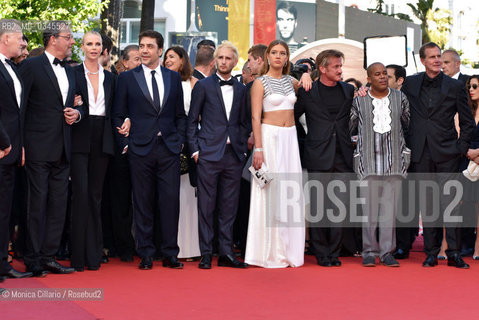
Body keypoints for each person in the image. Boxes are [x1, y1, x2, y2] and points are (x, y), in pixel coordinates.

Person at [394, 42, 474, 268]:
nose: (437, 60)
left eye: (439, 56)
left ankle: (454, 253)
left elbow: (467, 121)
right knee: (428, 204)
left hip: (448, 152)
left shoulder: (454, 86)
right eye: (432, 57)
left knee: (451, 204)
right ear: (423, 61)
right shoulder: (410, 83)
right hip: (421, 153)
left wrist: (461, 147)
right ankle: (431, 252)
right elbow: (394, 105)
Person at [112, 30, 186, 270]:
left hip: (168, 148)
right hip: (139, 148)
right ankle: (145, 252)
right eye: (142, 46)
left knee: (170, 201)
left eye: (149, 46)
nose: (144, 50)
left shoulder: (173, 78)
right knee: (142, 202)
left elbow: (179, 115)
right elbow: (118, 113)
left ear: (160, 51)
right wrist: (126, 144)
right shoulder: (127, 78)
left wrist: (180, 141)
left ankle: (170, 253)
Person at [19, 21, 82, 276]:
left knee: (58, 205)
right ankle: (32, 258)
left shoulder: (69, 70)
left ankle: (49, 256)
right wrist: (20, 144)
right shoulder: (31, 66)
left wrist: (76, 114)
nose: (72, 42)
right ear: (53, 39)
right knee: (37, 204)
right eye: (68, 37)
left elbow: (79, 105)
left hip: (63, 148)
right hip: (36, 148)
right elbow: (19, 107)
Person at [188, 41, 249, 269]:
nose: (224, 62)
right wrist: (195, 151)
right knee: (206, 205)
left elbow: (243, 122)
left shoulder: (242, 89)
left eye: (228, 58)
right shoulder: (203, 87)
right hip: (207, 155)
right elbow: (192, 120)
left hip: (233, 156)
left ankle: (226, 253)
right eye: (220, 58)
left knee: (229, 206)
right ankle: (206, 253)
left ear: (235, 61)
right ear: (215, 61)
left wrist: (241, 147)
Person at [245, 39, 306, 268]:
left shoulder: (293, 82)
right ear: (268, 56)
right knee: (269, 190)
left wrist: (307, 76)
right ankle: (267, 252)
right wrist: (258, 148)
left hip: (290, 139)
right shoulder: (259, 83)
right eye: (275, 53)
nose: (279, 56)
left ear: (287, 57)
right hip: (269, 138)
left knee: (289, 191)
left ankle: (289, 250)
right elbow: (255, 118)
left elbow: (308, 95)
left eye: (283, 53)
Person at [295, 49, 355, 267]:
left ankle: (334, 252)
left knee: (339, 206)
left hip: (343, 154)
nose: (340, 70)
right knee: (319, 205)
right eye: (336, 67)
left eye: (341, 66)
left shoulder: (349, 90)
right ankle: (321, 253)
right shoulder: (308, 91)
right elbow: (291, 119)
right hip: (318, 153)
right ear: (322, 69)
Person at [350, 62, 410, 267]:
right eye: (377, 74)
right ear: (369, 78)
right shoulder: (359, 100)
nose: (383, 77)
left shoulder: (399, 97)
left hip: (394, 161)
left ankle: (386, 252)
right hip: (368, 162)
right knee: (368, 211)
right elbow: (350, 125)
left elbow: (407, 122)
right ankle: (368, 251)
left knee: (389, 210)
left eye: (385, 73)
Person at [69, 31, 116, 271]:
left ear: (103, 49)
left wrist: (125, 121)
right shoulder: (72, 73)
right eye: (90, 43)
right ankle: (77, 256)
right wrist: (73, 108)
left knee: (96, 196)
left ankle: (94, 254)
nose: (94, 48)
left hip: (103, 138)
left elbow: (116, 110)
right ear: (82, 47)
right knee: (80, 195)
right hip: (79, 135)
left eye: (98, 44)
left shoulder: (111, 77)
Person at [0, 19, 32, 279]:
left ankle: (2, 264)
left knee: (5, 211)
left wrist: (18, 146)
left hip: (11, 152)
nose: (23, 42)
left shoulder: (10, 68)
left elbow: (17, 113)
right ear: (5, 38)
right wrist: (4, 142)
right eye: (20, 37)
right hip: (2, 148)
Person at [162, 46, 200, 259]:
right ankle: (171, 244)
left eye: (172, 57)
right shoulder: (162, 80)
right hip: (168, 143)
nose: (167, 60)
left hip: (189, 143)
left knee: (188, 193)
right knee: (170, 195)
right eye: (166, 57)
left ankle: (190, 247)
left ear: (183, 60)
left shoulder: (194, 83)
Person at [459, 75, 479, 259]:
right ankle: (466, 242)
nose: (471, 90)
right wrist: (469, 153)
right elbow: (459, 134)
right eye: (469, 87)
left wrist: (478, 153)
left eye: (475, 86)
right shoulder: (466, 111)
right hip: (466, 161)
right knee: (466, 203)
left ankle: (478, 245)